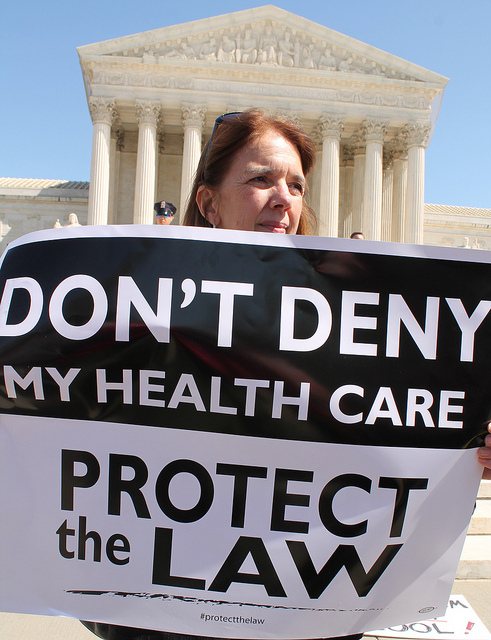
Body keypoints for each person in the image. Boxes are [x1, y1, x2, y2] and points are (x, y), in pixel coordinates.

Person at [82, 109, 491, 640]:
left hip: (306, 606)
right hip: (171, 612)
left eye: (296, 184)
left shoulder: (356, 331)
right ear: (207, 203)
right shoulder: (139, 324)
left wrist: (463, 443)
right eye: (260, 179)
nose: (285, 198)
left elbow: (391, 426)